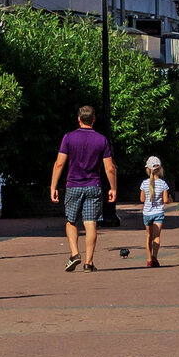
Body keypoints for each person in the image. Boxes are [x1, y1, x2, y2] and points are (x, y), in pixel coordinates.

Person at [49, 105, 117, 272]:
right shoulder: (101, 140)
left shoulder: (69, 138)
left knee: (71, 221)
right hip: (94, 186)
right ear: (94, 120)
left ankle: (74, 254)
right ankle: (88, 262)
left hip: (73, 185)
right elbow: (110, 168)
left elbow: (59, 164)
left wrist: (53, 186)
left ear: (78, 119)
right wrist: (113, 188)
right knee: (90, 223)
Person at [140, 156, 171, 268]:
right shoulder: (163, 184)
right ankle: (155, 257)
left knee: (148, 236)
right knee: (156, 237)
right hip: (158, 213)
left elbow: (142, 199)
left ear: (147, 169)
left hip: (147, 213)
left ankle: (148, 260)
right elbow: (166, 200)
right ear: (160, 169)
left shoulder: (144, 184)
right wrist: (170, 199)